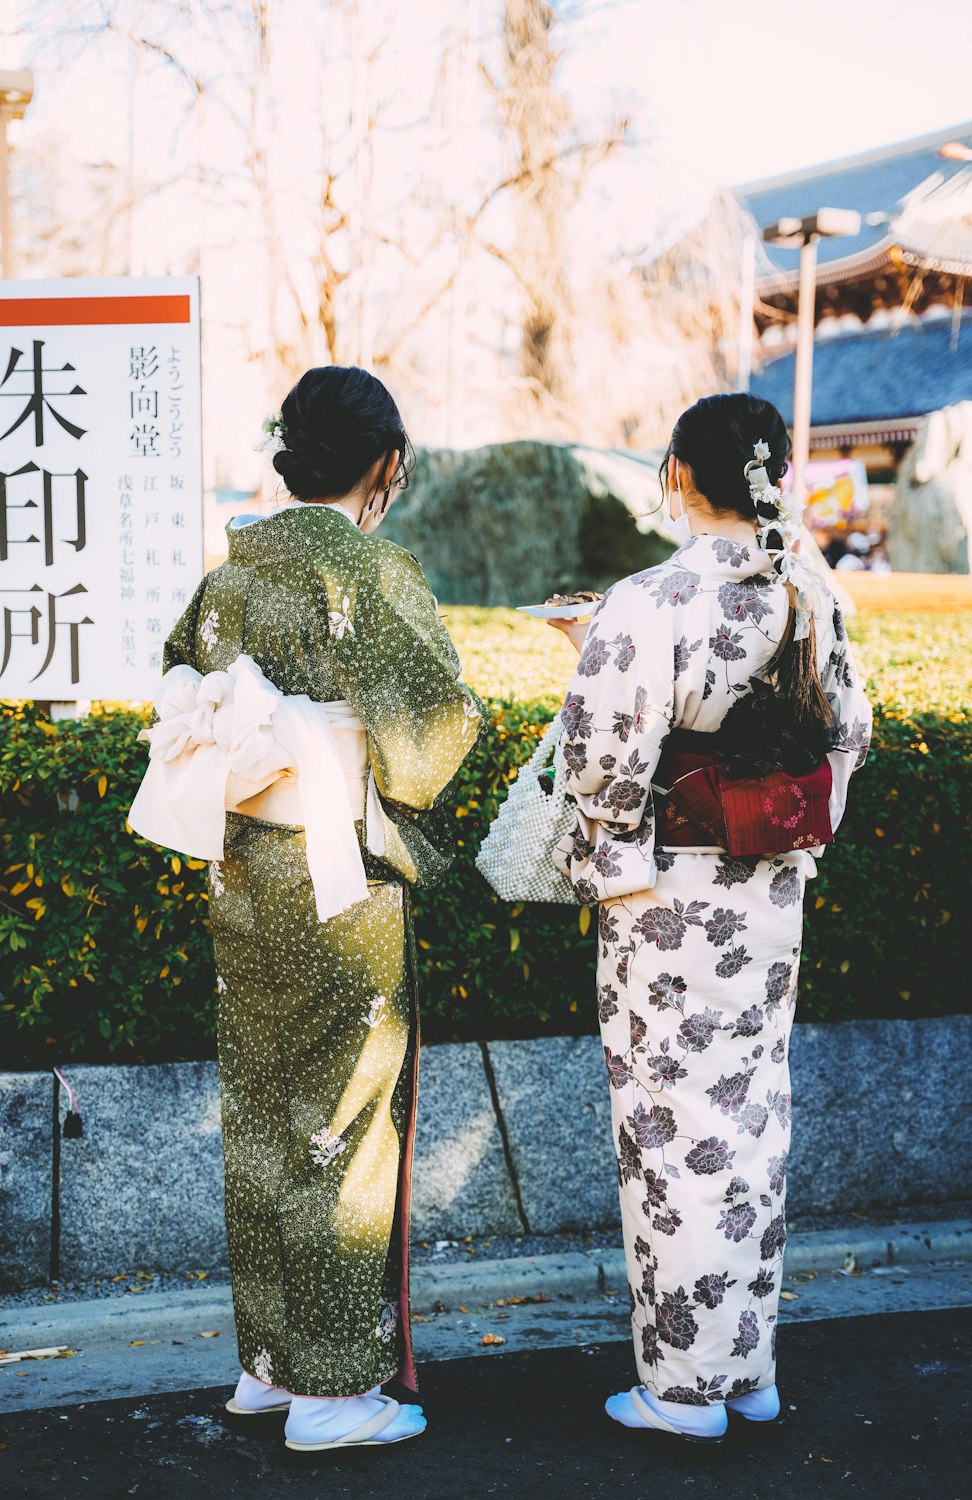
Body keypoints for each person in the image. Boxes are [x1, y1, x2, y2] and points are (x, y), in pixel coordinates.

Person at [129, 366, 487, 1452]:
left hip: (244, 865)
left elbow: (177, 679)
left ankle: (270, 1366)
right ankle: (334, 1393)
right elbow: (433, 732)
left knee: (263, 1106)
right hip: (335, 874)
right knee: (341, 1122)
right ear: (383, 466)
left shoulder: (234, 568)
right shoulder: (369, 570)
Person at [546, 393, 871, 1443]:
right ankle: (747, 1370)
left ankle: (681, 1390)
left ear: (679, 476)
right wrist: (789, 833)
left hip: (668, 897)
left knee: (671, 1129)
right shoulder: (809, 595)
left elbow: (601, 761)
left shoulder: (649, 599)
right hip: (767, 890)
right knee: (751, 1119)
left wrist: (604, 845)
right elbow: (847, 736)